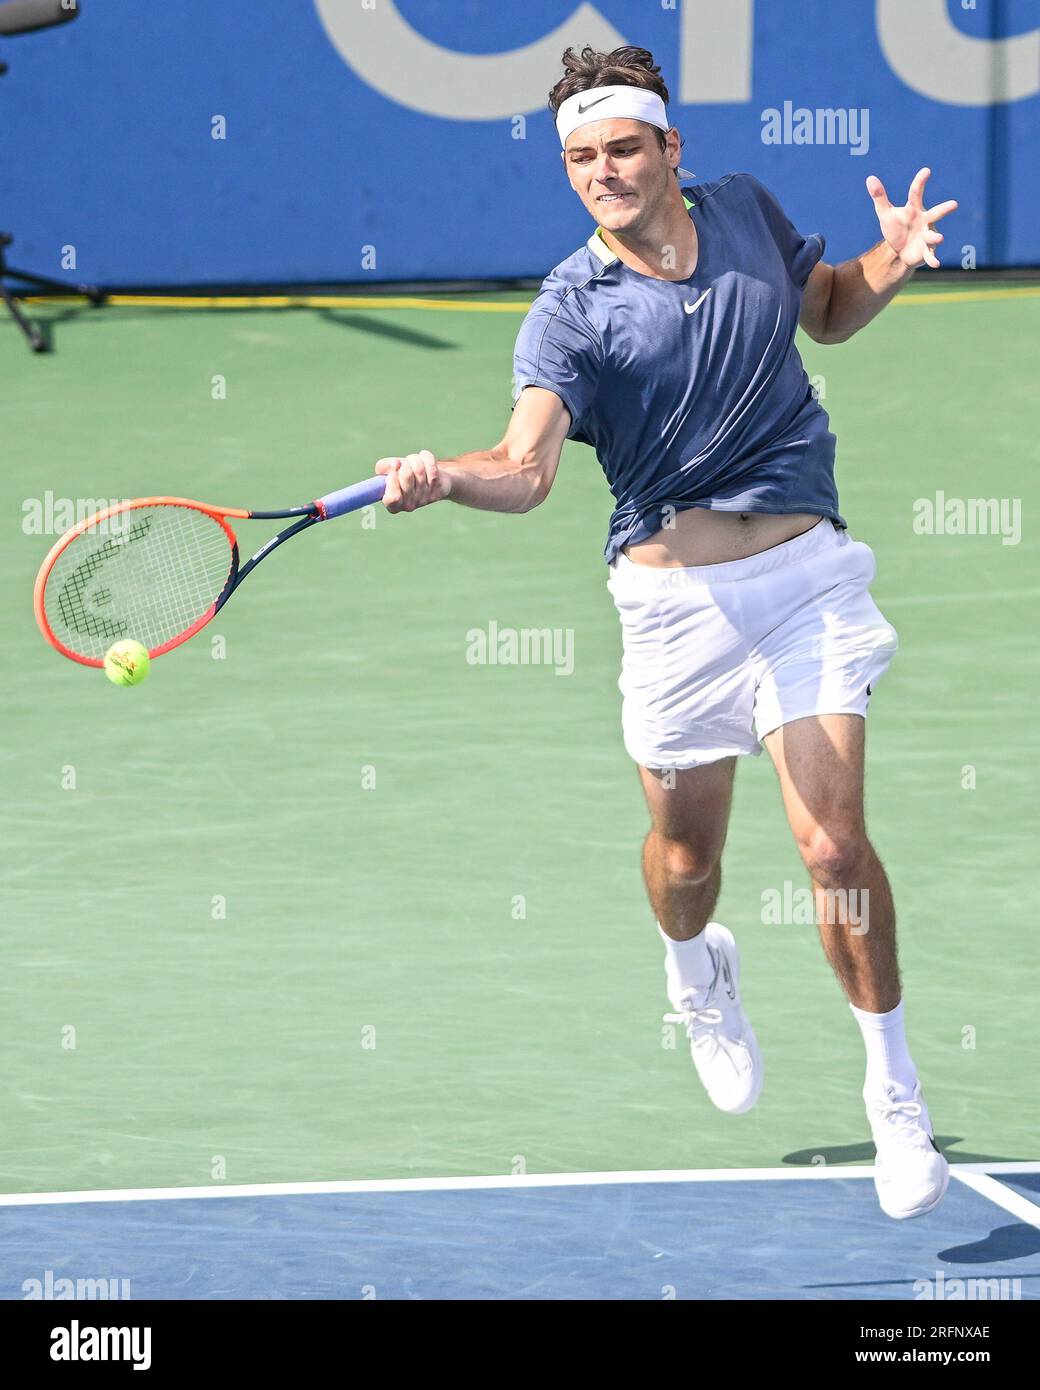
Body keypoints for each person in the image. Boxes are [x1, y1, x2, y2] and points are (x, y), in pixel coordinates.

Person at [371, 45, 957, 1221]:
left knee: (834, 848)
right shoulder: (567, 311)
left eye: (622, 148)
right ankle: (694, 967)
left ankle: (893, 1094)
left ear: (669, 149)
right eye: (580, 158)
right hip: (673, 615)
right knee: (685, 865)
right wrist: (447, 479)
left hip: (806, 584)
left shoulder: (743, 209)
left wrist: (886, 262)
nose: (602, 172)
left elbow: (826, 309)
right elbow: (524, 467)